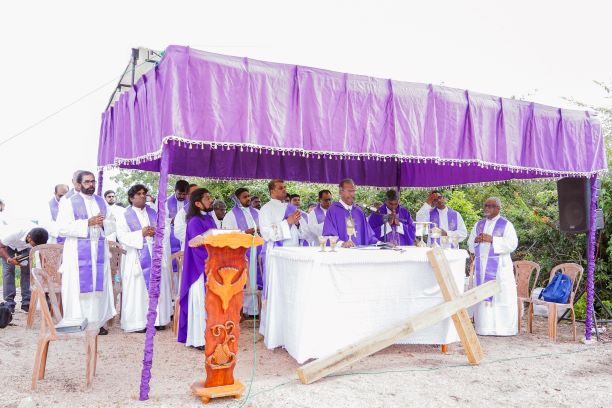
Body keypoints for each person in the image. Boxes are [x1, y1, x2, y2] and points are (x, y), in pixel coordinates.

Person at [56, 171, 116, 334]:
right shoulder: (68, 202)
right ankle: (77, 322)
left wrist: (103, 224)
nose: (91, 185)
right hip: (77, 252)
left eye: (93, 182)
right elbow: (62, 228)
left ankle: (97, 323)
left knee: (98, 287)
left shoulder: (101, 201)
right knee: (78, 287)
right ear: (78, 184)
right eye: (87, 182)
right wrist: (87, 223)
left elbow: (113, 223)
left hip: (99, 250)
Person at [116, 184, 172, 332]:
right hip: (136, 257)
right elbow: (121, 236)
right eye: (139, 194)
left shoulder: (153, 212)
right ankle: (138, 323)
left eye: (144, 193)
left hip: (155, 254)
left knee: (158, 286)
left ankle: (158, 320)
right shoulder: (124, 215)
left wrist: (156, 232)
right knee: (138, 290)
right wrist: (141, 233)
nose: (142, 196)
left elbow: (165, 230)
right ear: (131, 198)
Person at [468, 197, 518, 336]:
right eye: (486, 205)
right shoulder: (478, 225)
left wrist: (492, 240)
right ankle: (483, 328)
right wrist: (476, 240)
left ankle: (504, 329)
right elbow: (470, 245)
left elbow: (512, 244)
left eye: (491, 206)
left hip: (500, 268)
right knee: (483, 294)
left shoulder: (506, 225)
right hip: (482, 267)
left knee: (501, 296)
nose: (487, 208)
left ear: (498, 208)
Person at [178, 188, 217, 348]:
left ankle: (212, 336)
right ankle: (199, 339)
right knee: (201, 302)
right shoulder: (194, 221)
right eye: (207, 198)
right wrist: (212, 257)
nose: (211, 200)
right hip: (198, 269)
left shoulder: (209, 218)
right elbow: (197, 246)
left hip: (211, 265)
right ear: (198, 203)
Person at [222, 188, 262, 316]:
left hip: (255, 251)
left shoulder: (257, 213)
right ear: (237, 199)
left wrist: (260, 230)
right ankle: (242, 309)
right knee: (243, 279)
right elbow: (227, 234)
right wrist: (244, 232)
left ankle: (254, 309)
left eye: (248, 196)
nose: (248, 199)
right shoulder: (230, 215)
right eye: (245, 197)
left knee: (254, 278)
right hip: (241, 252)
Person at [0, 223, 48, 313]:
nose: (35, 247)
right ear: (29, 237)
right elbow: (0, 246)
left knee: (27, 271)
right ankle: (9, 303)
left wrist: (44, 267)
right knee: (8, 270)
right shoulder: (13, 233)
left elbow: (42, 251)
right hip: (8, 245)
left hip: (25, 248)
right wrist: (9, 260)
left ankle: (26, 303)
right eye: (34, 245)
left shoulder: (40, 237)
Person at [322, 179, 378, 247]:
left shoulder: (359, 211)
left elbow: (368, 235)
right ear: (340, 192)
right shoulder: (333, 210)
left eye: (353, 191)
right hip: (341, 252)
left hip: (360, 252)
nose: (352, 194)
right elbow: (328, 234)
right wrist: (342, 243)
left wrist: (379, 243)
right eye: (349, 191)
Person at [164, 180, 189, 290]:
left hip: (184, 238)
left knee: (185, 268)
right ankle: (174, 291)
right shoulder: (166, 203)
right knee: (173, 266)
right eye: (179, 194)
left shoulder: (190, 203)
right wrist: (171, 220)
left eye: (184, 194)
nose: (182, 196)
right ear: (175, 191)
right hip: (171, 237)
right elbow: (161, 220)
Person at [173, 183, 199, 250]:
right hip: (190, 248)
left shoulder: (208, 210)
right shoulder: (182, 213)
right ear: (188, 196)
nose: (198, 195)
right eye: (194, 193)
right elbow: (178, 232)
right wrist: (198, 236)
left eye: (199, 192)